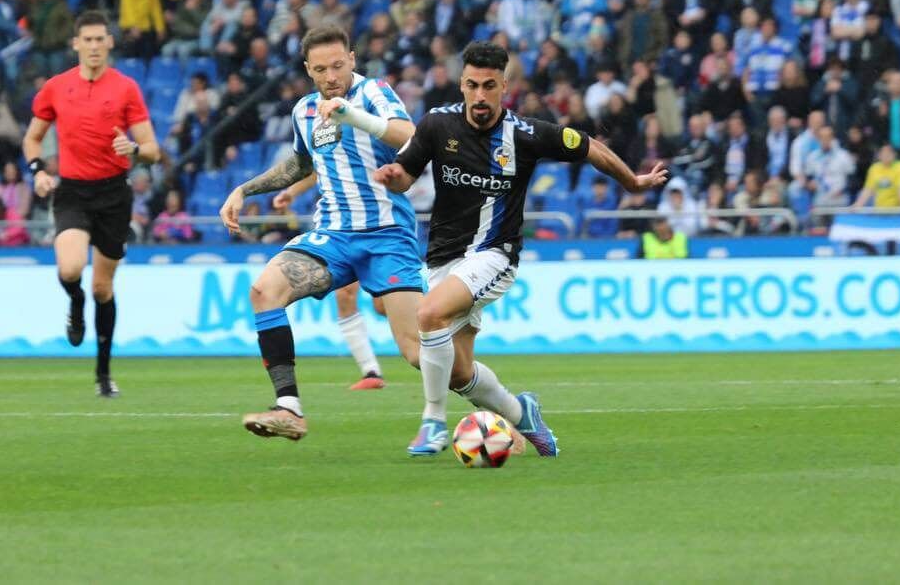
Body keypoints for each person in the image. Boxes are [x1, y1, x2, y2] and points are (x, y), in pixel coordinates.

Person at [374, 41, 668, 457]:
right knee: (455, 372)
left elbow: (590, 147)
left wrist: (633, 183)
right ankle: (521, 411)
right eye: (472, 85)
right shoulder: (437, 125)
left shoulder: (527, 134)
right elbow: (407, 173)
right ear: (461, 84)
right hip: (443, 258)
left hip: (495, 254)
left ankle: (432, 423)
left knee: (429, 313)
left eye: (489, 86)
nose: (480, 95)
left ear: (503, 86)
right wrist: (394, 175)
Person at [218, 26, 425, 442]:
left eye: (337, 65)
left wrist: (355, 117)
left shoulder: (374, 93)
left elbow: (410, 135)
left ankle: (509, 410)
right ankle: (289, 408)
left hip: (387, 235)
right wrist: (244, 189)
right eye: (320, 69)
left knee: (418, 352)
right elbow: (298, 165)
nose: (331, 76)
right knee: (263, 291)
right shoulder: (305, 111)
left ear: (351, 58)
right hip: (333, 237)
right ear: (308, 70)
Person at [22, 11, 161, 398]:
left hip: (114, 194)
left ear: (109, 43)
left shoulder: (126, 88)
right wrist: (37, 171)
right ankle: (74, 301)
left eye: (101, 39)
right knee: (70, 269)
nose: (95, 46)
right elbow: (32, 138)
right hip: (73, 191)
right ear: (76, 44)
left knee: (103, 287)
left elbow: (153, 150)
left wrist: (133, 149)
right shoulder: (55, 87)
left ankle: (103, 374)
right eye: (88, 40)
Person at [272, 176, 387, 390]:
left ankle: (440, 326)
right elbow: (318, 166)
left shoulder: (371, 144)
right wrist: (292, 192)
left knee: (383, 306)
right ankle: (370, 371)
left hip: (379, 224)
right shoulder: (328, 144)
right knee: (344, 295)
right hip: (339, 226)